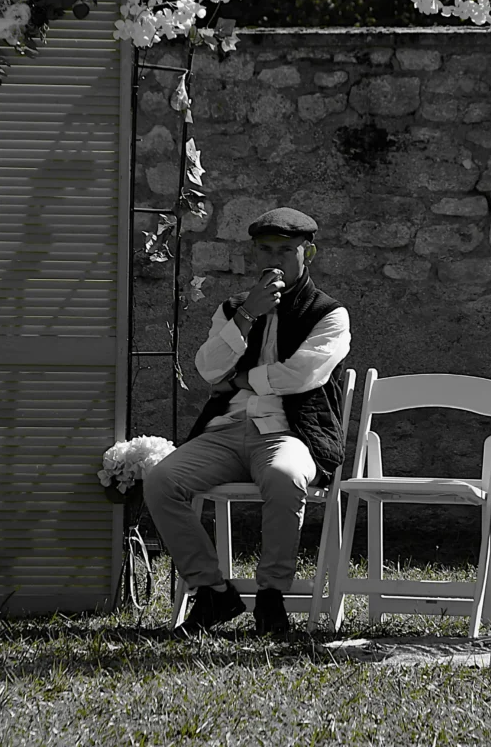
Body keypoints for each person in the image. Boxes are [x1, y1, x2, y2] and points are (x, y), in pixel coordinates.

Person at [144, 207, 351, 638]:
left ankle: (272, 596)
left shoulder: (329, 313)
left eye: (286, 250)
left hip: (289, 433)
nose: (273, 260)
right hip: (226, 431)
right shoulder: (234, 308)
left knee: (284, 475)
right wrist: (246, 317)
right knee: (162, 479)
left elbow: (301, 375)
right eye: (265, 250)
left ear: (307, 253)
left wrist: (242, 378)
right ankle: (212, 590)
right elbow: (206, 368)